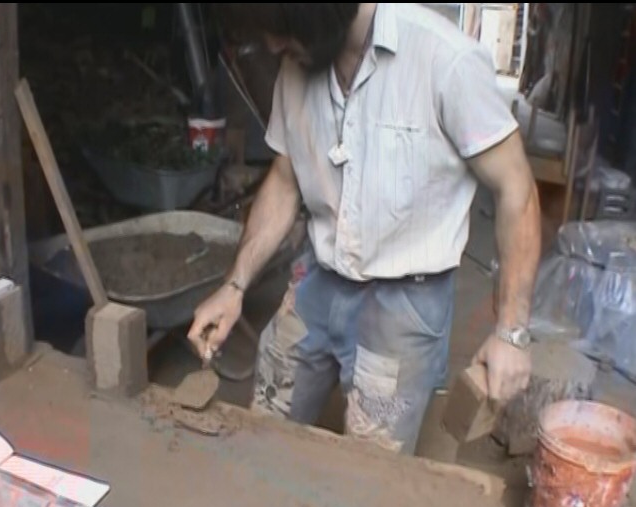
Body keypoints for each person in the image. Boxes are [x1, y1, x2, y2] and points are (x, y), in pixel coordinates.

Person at [189, 3, 541, 453]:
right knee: (266, 421)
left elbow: (517, 189)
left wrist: (511, 332)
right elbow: (285, 175)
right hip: (318, 279)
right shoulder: (297, 63)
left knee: (370, 465)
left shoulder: (444, 60)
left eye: (285, 32)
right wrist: (235, 286)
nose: (274, 46)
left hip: (405, 302)